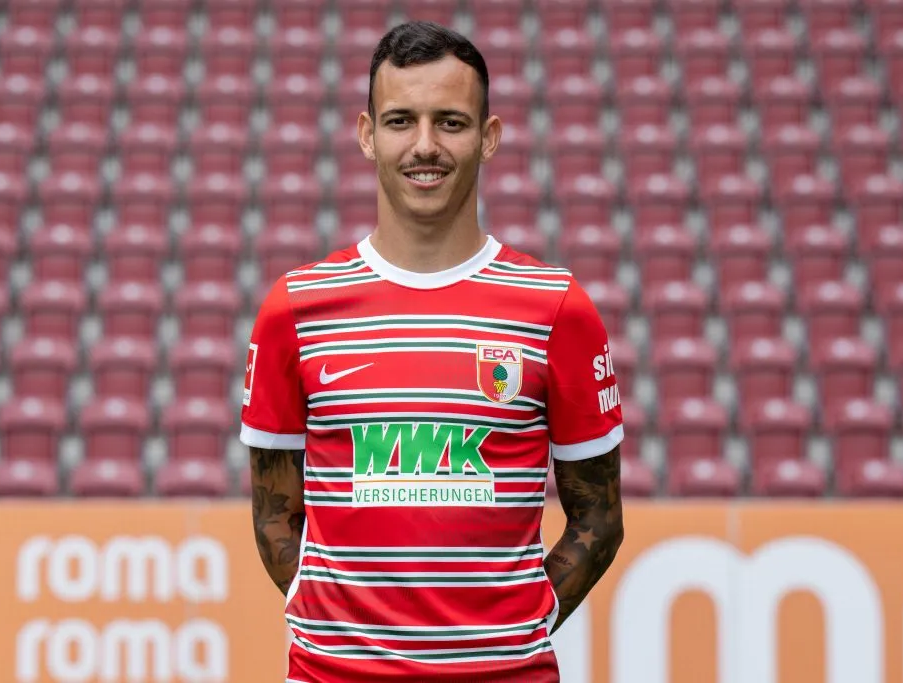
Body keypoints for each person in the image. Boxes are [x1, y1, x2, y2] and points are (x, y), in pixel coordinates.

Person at [241, 20, 625, 682]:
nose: (425, 145)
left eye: (450, 122)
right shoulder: (295, 308)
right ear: (368, 135)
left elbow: (600, 517)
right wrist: (332, 621)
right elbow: (274, 512)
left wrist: (520, 623)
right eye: (400, 121)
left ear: (489, 137)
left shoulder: (557, 307)